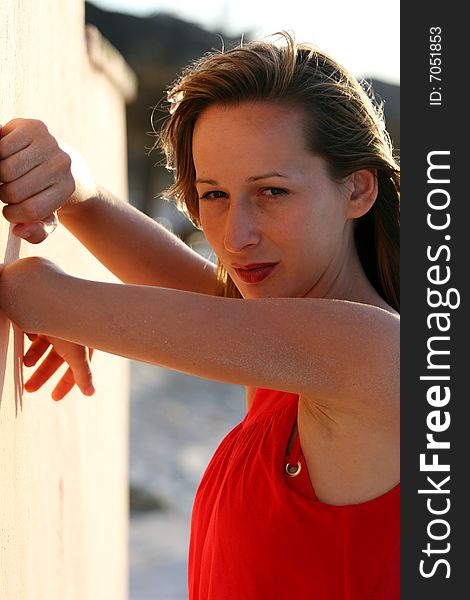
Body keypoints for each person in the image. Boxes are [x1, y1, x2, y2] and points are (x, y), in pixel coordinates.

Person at [0, 33, 400, 599]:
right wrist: (72, 185)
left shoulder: (371, 351)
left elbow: (31, 291)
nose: (236, 237)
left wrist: (71, 311)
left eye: (272, 192)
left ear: (358, 189)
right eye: (213, 196)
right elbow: (182, 288)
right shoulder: (284, 340)